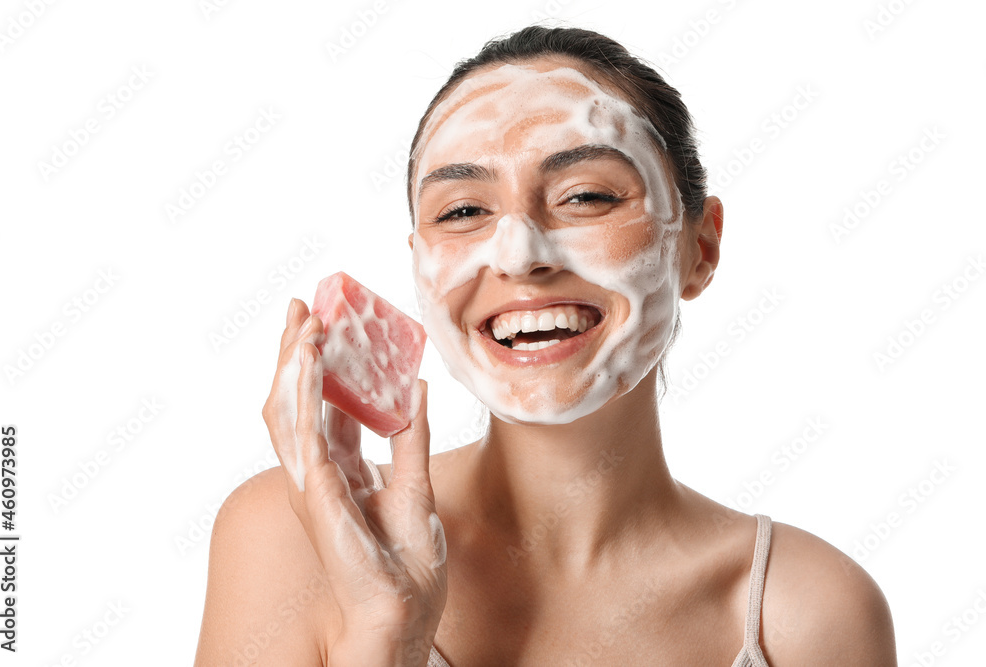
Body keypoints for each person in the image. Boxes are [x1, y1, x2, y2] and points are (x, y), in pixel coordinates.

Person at [193, 25, 897, 666]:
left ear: (700, 246)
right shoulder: (294, 538)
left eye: (586, 196)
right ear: (419, 263)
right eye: (464, 211)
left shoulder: (807, 614)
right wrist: (386, 632)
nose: (520, 253)